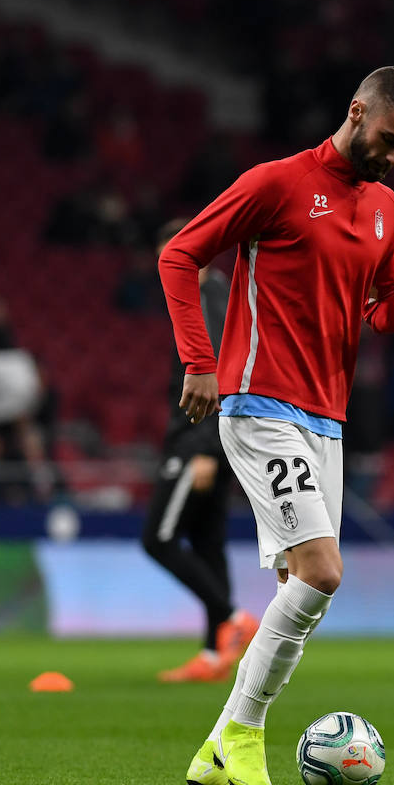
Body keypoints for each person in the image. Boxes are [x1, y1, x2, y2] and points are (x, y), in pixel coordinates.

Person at [158, 66, 394, 785]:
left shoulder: (385, 206)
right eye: (388, 139)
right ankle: (245, 735)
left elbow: (381, 307)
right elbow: (180, 254)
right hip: (259, 403)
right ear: (356, 112)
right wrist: (199, 360)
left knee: (304, 587)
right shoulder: (278, 183)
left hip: (328, 418)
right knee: (322, 573)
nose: (393, 157)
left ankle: (217, 749)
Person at [143, 218, 259, 684]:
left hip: (198, 441)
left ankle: (231, 616)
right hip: (213, 439)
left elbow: (221, 371)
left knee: (160, 539)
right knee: (208, 544)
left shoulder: (208, 297)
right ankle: (214, 655)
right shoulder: (213, 294)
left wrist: (207, 448)